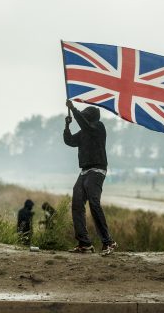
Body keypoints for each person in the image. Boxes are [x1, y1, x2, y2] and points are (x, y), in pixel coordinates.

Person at [64, 99, 117, 255]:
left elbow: (85, 125)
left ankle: (109, 242)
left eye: (86, 116)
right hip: (85, 171)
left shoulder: (98, 127)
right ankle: (84, 243)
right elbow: (69, 141)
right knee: (77, 203)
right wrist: (67, 126)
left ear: (92, 118)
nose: (84, 119)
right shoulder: (84, 132)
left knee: (94, 203)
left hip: (97, 170)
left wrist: (73, 108)